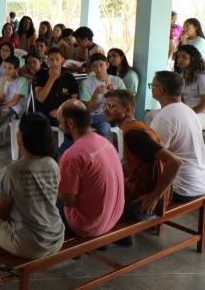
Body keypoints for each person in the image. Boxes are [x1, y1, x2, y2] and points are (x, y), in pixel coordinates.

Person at [0, 114, 63, 287]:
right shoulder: (52, 164)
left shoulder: (12, 171)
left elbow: (0, 214)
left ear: (21, 137)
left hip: (29, 245)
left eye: (18, 130)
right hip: (56, 238)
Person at [102, 90, 181, 245]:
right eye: (104, 105)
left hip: (143, 207)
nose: (105, 109)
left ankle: (102, 240)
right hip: (149, 198)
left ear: (127, 110)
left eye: (111, 105)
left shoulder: (134, 133)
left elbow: (175, 162)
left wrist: (154, 197)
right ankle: (122, 236)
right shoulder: (137, 126)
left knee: (93, 194)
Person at [56, 100, 124, 238]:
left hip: (88, 226)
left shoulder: (72, 155)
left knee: (47, 199)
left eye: (60, 122)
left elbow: (68, 201)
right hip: (114, 216)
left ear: (70, 123)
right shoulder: (105, 142)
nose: (60, 126)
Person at [148, 71, 205, 202]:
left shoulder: (164, 117)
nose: (151, 89)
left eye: (152, 85)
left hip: (181, 188)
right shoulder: (190, 112)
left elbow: (153, 158)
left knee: (124, 177)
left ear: (160, 90)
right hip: (200, 183)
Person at [150, 45, 205, 128]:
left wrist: (187, 112)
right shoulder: (179, 76)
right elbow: (180, 98)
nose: (180, 59)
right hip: (184, 108)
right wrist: (177, 110)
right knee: (151, 116)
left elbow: (203, 105)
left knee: (182, 121)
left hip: (201, 112)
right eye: (178, 57)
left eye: (184, 57)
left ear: (193, 58)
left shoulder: (202, 77)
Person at [78, 53, 125, 144]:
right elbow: (89, 109)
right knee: (78, 125)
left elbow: (125, 103)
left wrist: (115, 92)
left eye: (101, 65)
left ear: (107, 65)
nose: (99, 69)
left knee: (104, 129)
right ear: (91, 67)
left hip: (108, 115)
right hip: (91, 115)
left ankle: (100, 150)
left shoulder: (117, 81)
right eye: (95, 66)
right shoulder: (86, 83)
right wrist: (96, 94)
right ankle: (80, 149)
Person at [33, 48, 79, 128]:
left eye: (57, 59)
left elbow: (73, 101)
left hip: (63, 112)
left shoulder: (69, 78)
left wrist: (61, 110)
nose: (54, 63)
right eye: (52, 60)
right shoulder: (40, 75)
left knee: (70, 127)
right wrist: (51, 78)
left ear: (62, 60)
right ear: (48, 60)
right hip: (43, 112)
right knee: (39, 126)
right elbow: (40, 98)